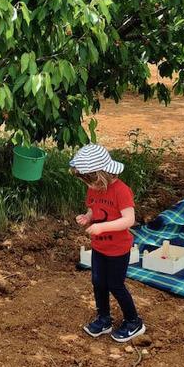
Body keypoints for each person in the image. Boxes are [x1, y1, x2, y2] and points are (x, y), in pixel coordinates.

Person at [70, 144, 145, 342]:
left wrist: (102, 228)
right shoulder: (94, 190)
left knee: (115, 284)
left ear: (101, 175)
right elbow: (94, 210)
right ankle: (104, 318)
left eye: (90, 181)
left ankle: (134, 321)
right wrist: (88, 218)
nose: (89, 187)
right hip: (99, 247)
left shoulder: (121, 191)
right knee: (98, 282)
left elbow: (128, 220)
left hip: (118, 249)